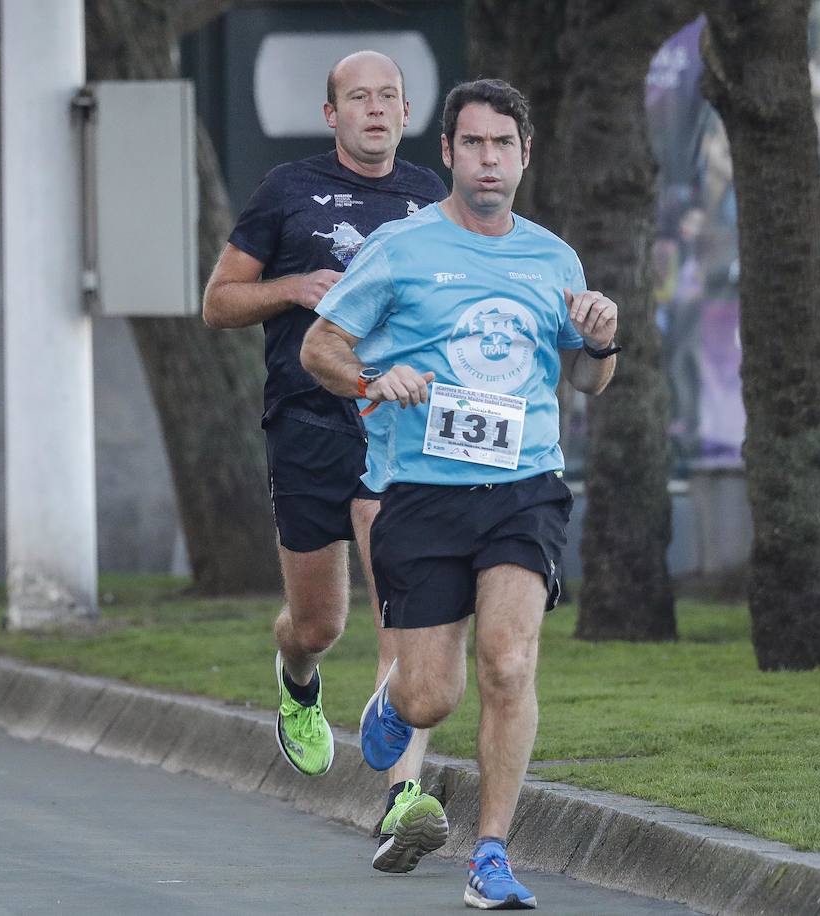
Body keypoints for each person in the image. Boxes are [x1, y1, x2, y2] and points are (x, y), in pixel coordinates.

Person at [301, 78, 619, 910]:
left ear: (524, 154)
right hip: (424, 495)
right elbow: (319, 346)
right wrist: (375, 375)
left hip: (525, 488)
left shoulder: (554, 258)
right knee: (431, 694)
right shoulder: (402, 248)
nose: (488, 160)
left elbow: (590, 380)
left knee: (509, 663)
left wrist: (602, 339)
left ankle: (491, 856)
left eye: (502, 146)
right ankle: (394, 699)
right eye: (472, 144)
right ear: (446, 152)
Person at [201, 50, 449, 874]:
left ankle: (403, 797)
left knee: (402, 613)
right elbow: (218, 302)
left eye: (389, 98)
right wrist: (293, 286)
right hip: (307, 420)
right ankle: (297, 677)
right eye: (358, 98)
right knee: (322, 623)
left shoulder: (430, 202)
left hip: (397, 427)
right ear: (332, 112)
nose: (375, 110)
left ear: (407, 112)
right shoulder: (286, 190)